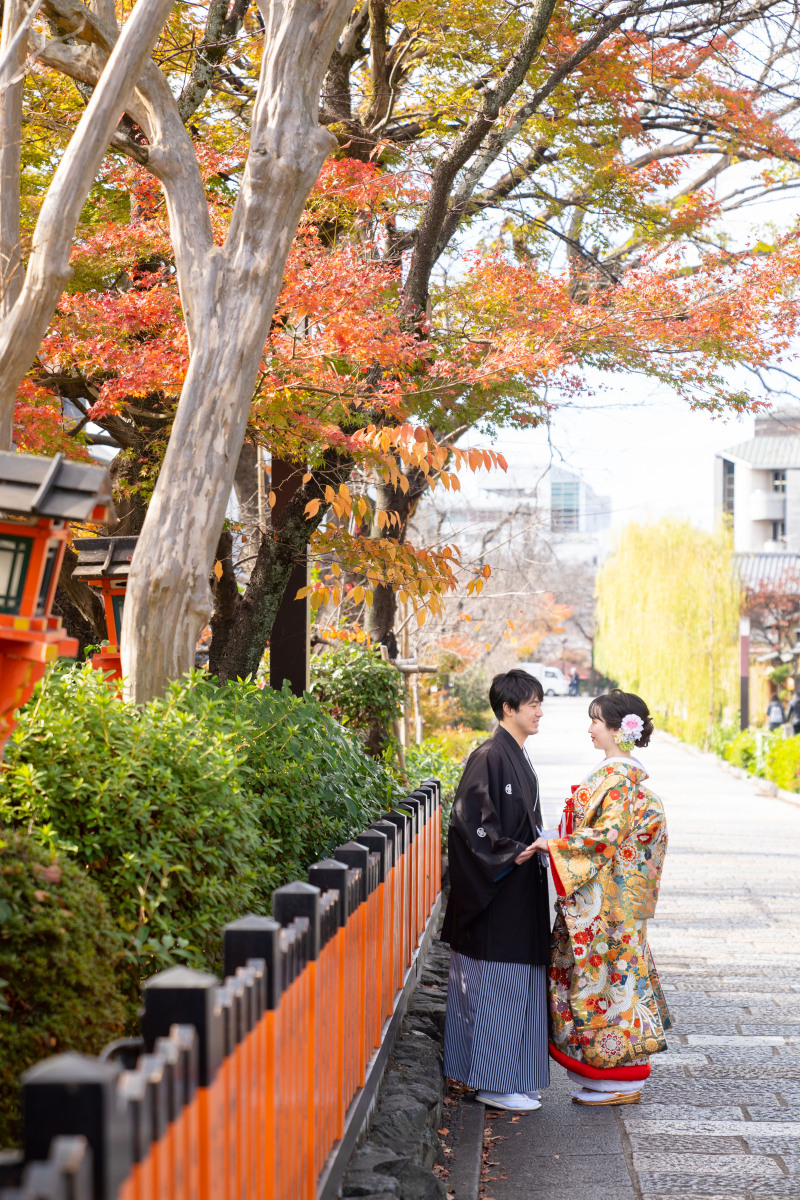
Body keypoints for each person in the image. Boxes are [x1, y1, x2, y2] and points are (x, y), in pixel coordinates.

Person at [528, 689, 671, 1106]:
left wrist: (552, 847)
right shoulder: (621, 777)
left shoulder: (619, 779)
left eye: (596, 721)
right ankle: (607, 1076)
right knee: (608, 985)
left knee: (610, 987)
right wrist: (560, 840)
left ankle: (620, 1077)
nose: (590, 728)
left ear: (617, 729)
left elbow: (603, 838)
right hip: (612, 903)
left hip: (607, 909)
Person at [441, 669, 552, 1113]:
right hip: (498, 892)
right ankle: (490, 1080)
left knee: (518, 984)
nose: (540, 712)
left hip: (516, 889)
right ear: (509, 708)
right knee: (497, 984)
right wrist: (513, 853)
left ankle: (512, 1076)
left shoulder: (516, 755)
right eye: (533, 704)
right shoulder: (489, 754)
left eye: (540, 703)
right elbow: (472, 823)